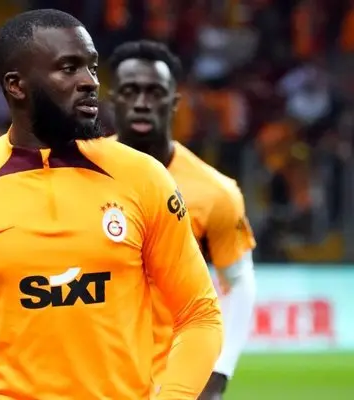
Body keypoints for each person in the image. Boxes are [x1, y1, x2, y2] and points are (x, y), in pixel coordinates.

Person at [0, 10, 223, 400]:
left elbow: (200, 314)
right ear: (16, 85)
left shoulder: (144, 178)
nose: (90, 82)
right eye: (69, 69)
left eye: (91, 67)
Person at [108, 40, 257, 400]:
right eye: (130, 91)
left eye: (155, 92)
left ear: (175, 101)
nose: (142, 103)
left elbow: (238, 283)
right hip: (94, 376)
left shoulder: (215, 192)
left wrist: (218, 372)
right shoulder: (79, 174)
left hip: (172, 381)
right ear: (112, 99)